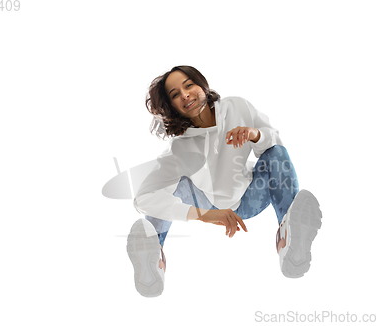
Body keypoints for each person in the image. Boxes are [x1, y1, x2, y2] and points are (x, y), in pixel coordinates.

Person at [126, 66, 322, 297]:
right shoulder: (180, 148)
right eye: (175, 94)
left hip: (249, 197)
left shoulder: (237, 107)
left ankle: (288, 236)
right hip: (207, 202)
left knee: (276, 153)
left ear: (202, 86)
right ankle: (154, 256)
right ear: (172, 107)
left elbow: (274, 138)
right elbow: (143, 198)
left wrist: (254, 135)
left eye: (189, 85)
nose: (185, 95)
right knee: (171, 188)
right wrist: (203, 214)